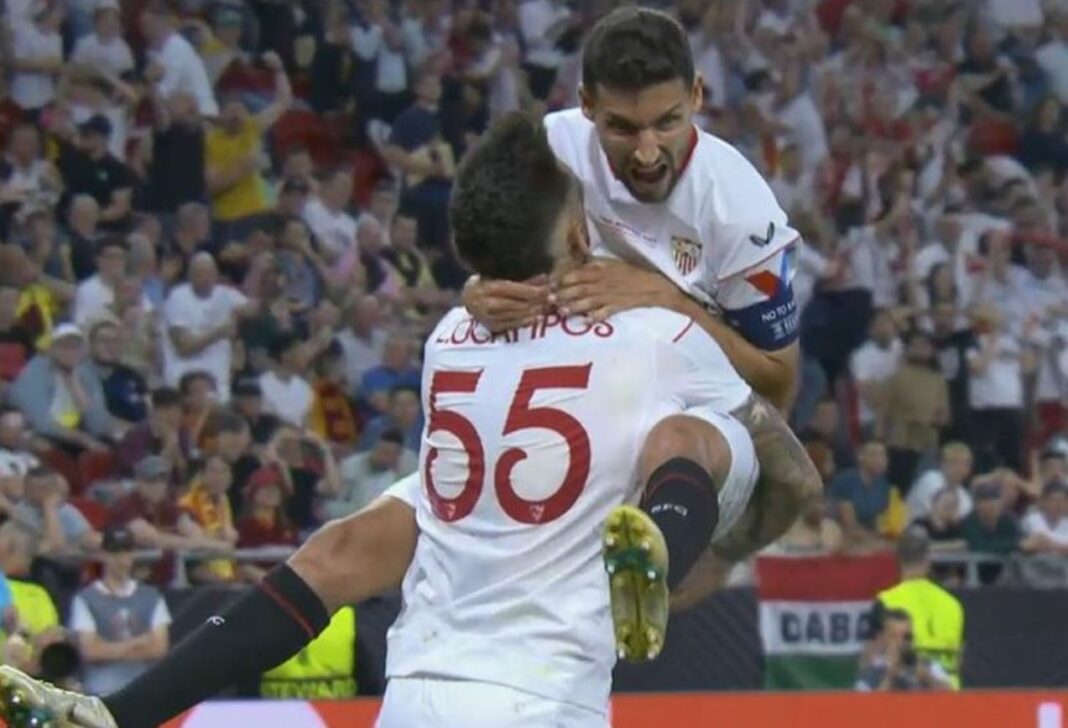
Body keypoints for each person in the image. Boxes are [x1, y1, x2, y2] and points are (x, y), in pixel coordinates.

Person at [0, 112, 817, 728]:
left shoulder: (451, 338)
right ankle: (662, 541)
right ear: (578, 232)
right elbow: (790, 459)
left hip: (420, 688)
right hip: (543, 696)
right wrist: (719, 543)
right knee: (707, 436)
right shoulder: (657, 339)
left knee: (370, 533)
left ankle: (120, 713)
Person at [68, 527, 171, 696]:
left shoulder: (151, 597)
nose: (121, 559)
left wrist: (107, 648)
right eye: (115, 553)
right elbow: (90, 651)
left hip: (143, 689)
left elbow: (159, 649)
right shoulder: (85, 599)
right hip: (101, 691)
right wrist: (139, 642)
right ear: (103, 555)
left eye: (126, 552)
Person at [874, 529, 965, 689]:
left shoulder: (885, 601)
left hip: (905, 693)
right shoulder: (953, 604)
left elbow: (874, 657)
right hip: (948, 693)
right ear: (928, 560)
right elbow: (960, 655)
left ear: (898, 559)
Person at [856, 609, 952, 691]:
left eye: (906, 637)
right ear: (883, 637)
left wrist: (927, 677)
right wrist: (891, 675)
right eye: (894, 636)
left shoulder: (928, 665)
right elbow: (865, 704)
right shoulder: (872, 670)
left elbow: (952, 697)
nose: (900, 642)